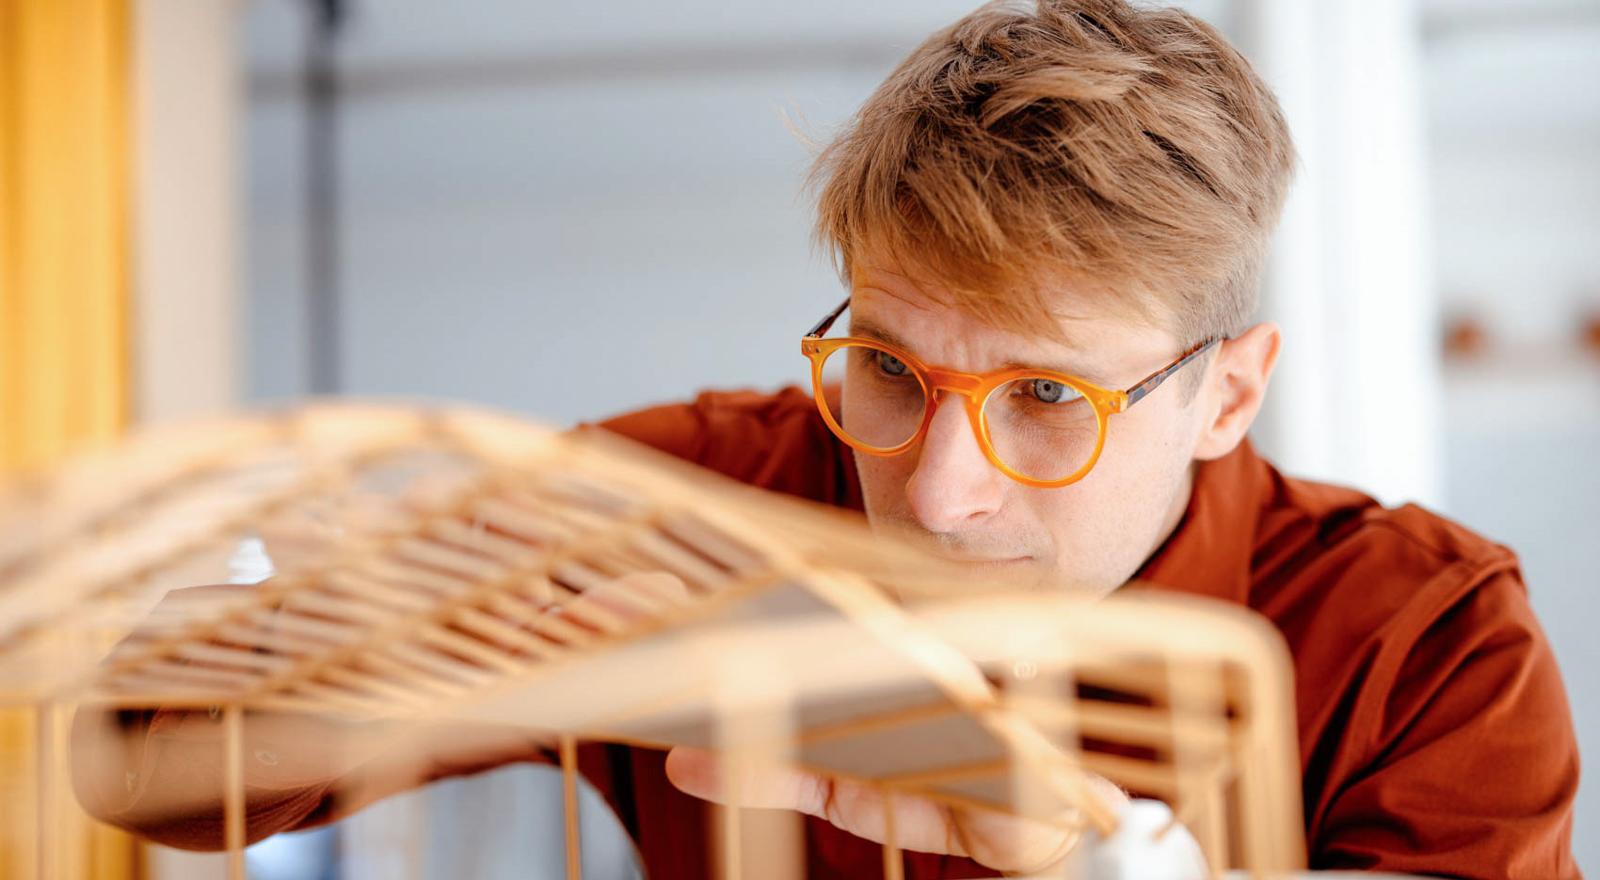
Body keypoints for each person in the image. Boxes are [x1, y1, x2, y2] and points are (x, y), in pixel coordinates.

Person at [73, 0, 1580, 877]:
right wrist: (463, 647)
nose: (933, 489)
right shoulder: (707, 497)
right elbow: (137, 769)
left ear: (1229, 392)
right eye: (887, 368)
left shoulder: (1428, 638)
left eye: (1049, 399)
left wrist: (1083, 849)